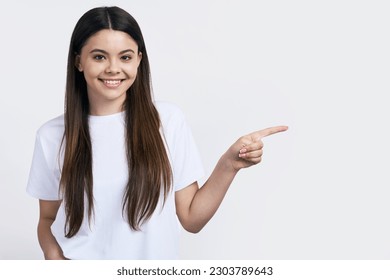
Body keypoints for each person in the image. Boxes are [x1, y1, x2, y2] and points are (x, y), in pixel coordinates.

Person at [26, 6, 288, 260]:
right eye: (99, 56)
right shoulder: (51, 136)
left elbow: (191, 218)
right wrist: (53, 257)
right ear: (78, 61)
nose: (113, 68)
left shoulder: (167, 121)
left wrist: (230, 164)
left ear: (139, 59)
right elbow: (47, 219)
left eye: (125, 57)